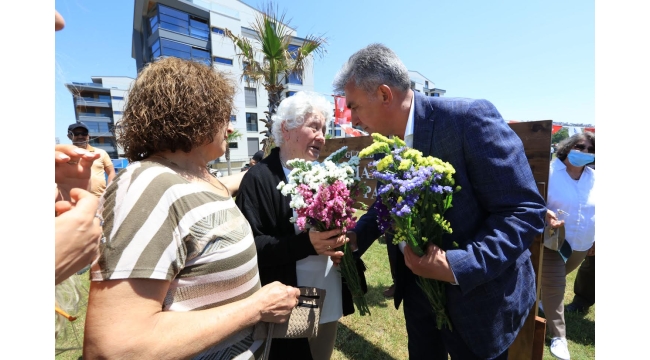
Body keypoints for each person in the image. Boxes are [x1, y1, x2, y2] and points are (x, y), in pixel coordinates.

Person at [334, 44, 546, 360]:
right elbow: (388, 201)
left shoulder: (468, 119)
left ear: (383, 95)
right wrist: (356, 237)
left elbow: (523, 210)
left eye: (354, 106)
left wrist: (457, 265)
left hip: (477, 303)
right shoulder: (383, 144)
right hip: (418, 298)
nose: (352, 119)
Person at [83, 57, 301, 359]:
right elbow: (115, 347)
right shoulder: (148, 185)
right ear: (197, 113)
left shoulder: (199, 179)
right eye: (224, 116)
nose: (231, 127)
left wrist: (284, 165)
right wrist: (256, 308)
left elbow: (215, 194)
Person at [235, 91, 365, 360]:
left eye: (324, 129)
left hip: (329, 293)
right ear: (287, 128)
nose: (322, 136)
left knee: (320, 355)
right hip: (290, 300)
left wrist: (345, 239)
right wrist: (306, 244)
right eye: (313, 127)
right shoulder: (259, 179)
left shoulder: (327, 174)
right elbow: (250, 247)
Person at [541, 131, 595, 360]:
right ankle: (559, 337)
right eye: (579, 147)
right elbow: (533, 200)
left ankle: (536, 304)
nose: (584, 153)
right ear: (567, 147)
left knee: (547, 283)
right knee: (555, 286)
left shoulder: (596, 177)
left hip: (583, 244)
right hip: (554, 241)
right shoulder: (550, 172)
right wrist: (546, 213)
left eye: (589, 150)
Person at [67, 122, 116, 198]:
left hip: (100, 199)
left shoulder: (101, 153)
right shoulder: (65, 155)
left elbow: (111, 172)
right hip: (75, 201)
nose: (80, 136)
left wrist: (109, 192)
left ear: (88, 135)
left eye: (84, 133)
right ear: (69, 136)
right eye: (76, 133)